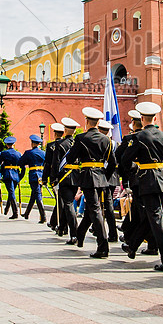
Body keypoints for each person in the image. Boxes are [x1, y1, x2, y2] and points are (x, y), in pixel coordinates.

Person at [120, 102, 163, 271]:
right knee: (152, 215)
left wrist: (136, 169)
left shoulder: (140, 137)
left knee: (156, 218)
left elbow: (125, 160)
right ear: (154, 118)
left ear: (142, 119)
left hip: (147, 180)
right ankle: (133, 246)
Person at [66, 107, 114, 258]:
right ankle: (80, 236)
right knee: (91, 209)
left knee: (95, 210)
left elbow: (70, 158)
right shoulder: (106, 139)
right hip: (101, 177)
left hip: (87, 176)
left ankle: (103, 247)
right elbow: (112, 163)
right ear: (98, 122)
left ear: (86, 121)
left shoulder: (81, 138)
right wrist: (104, 175)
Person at [20, 135, 47, 222]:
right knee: (34, 195)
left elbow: (20, 162)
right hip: (41, 175)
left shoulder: (28, 153)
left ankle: (43, 216)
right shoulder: (43, 153)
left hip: (34, 175)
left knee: (37, 195)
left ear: (32, 143)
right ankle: (27, 213)